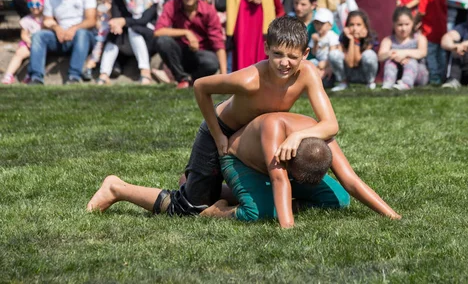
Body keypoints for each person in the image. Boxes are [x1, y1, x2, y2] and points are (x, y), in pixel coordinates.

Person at [90, 16, 340, 216]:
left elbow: (330, 124)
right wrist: (218, 134)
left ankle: (194, 182)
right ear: (266, 49)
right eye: (278, 54)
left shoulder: (305, 72)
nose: (285, 63)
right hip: (220, 132)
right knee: (190, 208)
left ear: (304, 54)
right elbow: (200, 86)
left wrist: (299, 136)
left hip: (251, 136)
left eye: (292, 57)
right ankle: (117, 188)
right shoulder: (248, 79)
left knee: (260, 184)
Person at [88, 112, 401, 228]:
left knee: (338, 200)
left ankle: (200, 185)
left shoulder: (321, 139)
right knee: (259, 212)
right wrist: (287, 229)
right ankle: (118, 187)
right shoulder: (275, 137)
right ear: (290, 159)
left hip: (278, 169)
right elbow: (280, 181)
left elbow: (352, 183)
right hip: (238, 160)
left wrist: (392, 215)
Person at [27, 0, 97, 85]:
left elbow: (91, 20)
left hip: (82, 36)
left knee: (81, 34)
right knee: (39, 36)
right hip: (60, 36)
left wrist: (73, 29)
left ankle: (74, 76)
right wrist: (56, 27)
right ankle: (36, 77)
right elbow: (47, 21)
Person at [154, 0, 226, 88]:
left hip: (200, 55)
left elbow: (218, 44)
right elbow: (158, 31)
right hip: (179, 53)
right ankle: (182, 78)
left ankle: (192, 80)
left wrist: (224, 76)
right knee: (163, 41)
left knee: (212, 62)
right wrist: (186, 33)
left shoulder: (208, 11)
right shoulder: (171, 6)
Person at [96, 0, 162, 85]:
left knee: (133, 30)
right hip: (124, 38)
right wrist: (117, 24)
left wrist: (124, 22)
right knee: (114, 33)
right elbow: (116, 20)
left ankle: (145, 71)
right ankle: (104, 74)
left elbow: (144, 20)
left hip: (148, 38)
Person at [378, 7, 428, 90]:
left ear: (412, 23)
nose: (403, 28)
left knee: (411, 61)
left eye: (407, 24)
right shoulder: (388, 40)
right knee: (390, 62)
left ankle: (406, 84)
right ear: (394, 24)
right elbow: (380, 56)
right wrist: (393, 55)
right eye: (400, 25)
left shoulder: (419, 38)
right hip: (397, 74)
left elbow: (422, 52)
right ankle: (388, 83)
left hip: (418, 74)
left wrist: (403, 54)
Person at [329, 10, 379, 91]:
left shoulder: (371, 37)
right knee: (334, 54)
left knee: (369, 54)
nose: (355, 28)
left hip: (364, 74)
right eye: (351, 25)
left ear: (365, 26)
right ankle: (343, 83)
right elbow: (351, 63)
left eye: (358, 25)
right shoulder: (344, 37)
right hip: (349, 73)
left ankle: (370, 83)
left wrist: (357, 41)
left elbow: (357, 62)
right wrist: (352, 40)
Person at [1, 0, 44, 84]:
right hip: (28, 42)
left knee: (36, 53)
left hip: (40, 44)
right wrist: (29, 42)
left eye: (37, 4)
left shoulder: (46, 19)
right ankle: (8, 74)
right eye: (31, 4)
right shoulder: (27, 20)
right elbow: (23, 34)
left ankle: (30, 75)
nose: (34, 7)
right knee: (19, 53)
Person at [414, 0, 447, 84]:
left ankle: (434, 76)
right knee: (441, 55)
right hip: (442, 30)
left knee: (431, 55)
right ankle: (443, 75)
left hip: (429, 32)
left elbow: (421, 12)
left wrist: (415, 23)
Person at [82, 0, 115, 81]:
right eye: (104, 0)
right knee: (97, 50)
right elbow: (97, 25)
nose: (106, 3)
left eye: (109, 0)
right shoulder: (99, 12)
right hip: (99, 38)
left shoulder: (114, 11)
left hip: (111, 38)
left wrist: (109, 11)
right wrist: (98, 16)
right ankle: (89, 68)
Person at [309, 8, 340, 74]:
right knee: (310, 63)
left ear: (330, 25)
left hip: (329, 62)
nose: (318, 26)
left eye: (322, 23)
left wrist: (326, 63)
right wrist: (315, 42)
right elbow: (314, 53)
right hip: (318, 61)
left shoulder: (331, 35)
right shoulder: (315, 36)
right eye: (316, 23)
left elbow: (333, 53)